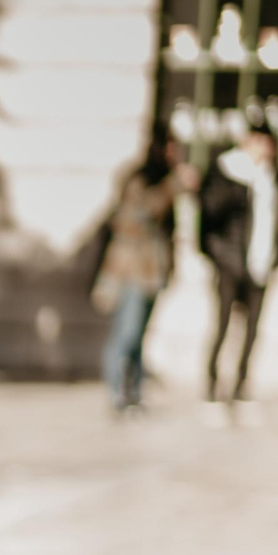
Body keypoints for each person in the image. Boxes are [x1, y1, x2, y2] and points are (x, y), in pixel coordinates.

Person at [198, 121, 278, 417]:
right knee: (223, 325)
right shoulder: (225, 170)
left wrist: (277, 256)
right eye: (263, 142)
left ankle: (241, 387)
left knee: (252, 330)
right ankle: (213, 388)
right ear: (249, 141)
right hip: (229, 264)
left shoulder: (274, 177)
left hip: (260, 264)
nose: (268, 150)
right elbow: (208, 215)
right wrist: (218, 257)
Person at [89, 139, 187, 415]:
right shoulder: (139, 180)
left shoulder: (163, 181)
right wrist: (173, 187)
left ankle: (134, 393)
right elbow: (141, 214)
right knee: (125, 334)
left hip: (152, 274)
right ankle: (116, 394)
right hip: (131, 272)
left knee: (140, 337)